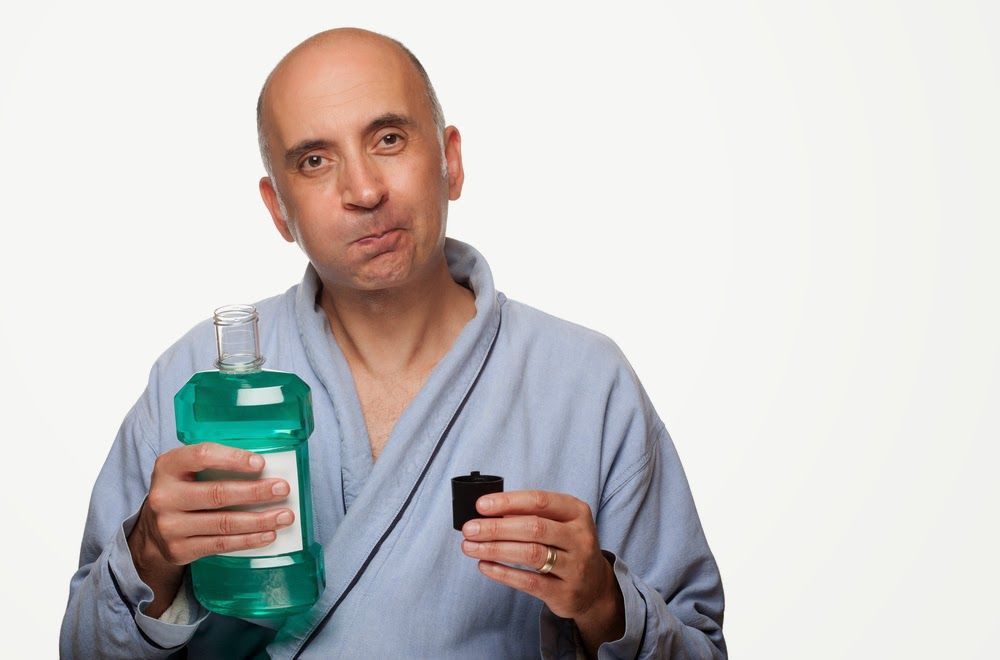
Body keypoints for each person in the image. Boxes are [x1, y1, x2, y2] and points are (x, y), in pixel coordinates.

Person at [60, 28, 727, 659]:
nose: (364, 190)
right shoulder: (194, 377)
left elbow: (702, 645)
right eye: (315, 161)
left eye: (388, 138)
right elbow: (80, 649)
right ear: (277, 210)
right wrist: (148, 555)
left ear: (451, 161)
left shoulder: (585, 382)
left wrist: (602, 600)